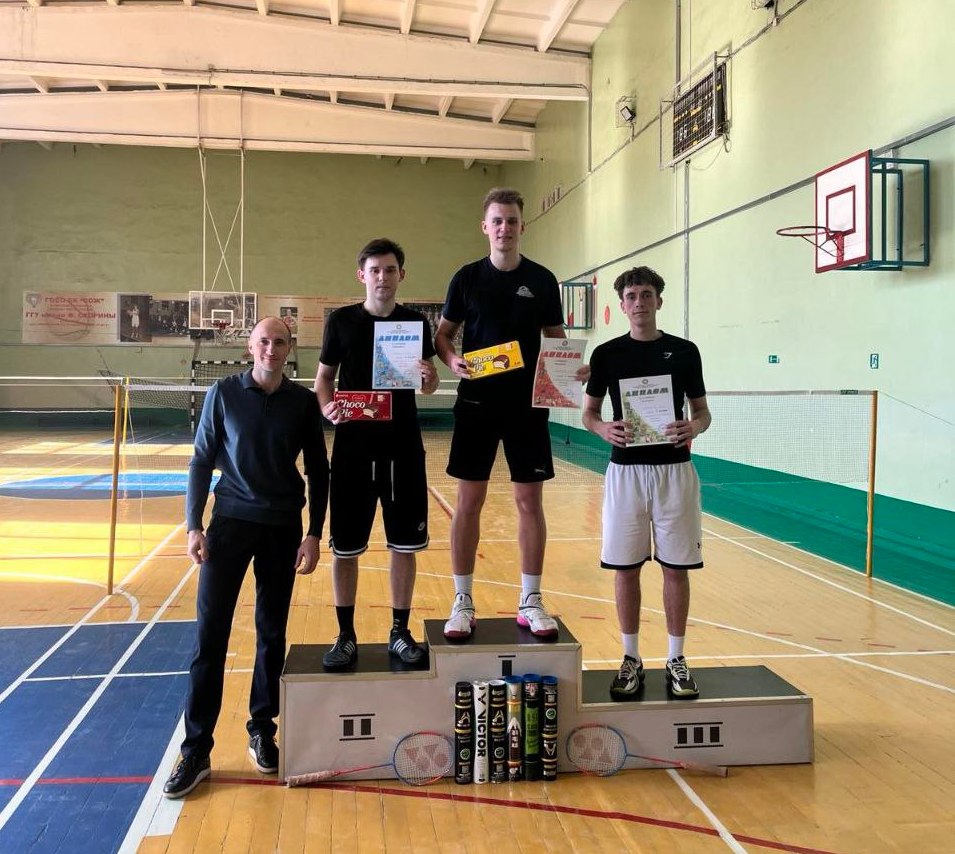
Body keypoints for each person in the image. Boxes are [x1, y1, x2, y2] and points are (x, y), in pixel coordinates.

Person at [163, 316, 329, 799]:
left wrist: (314, 533)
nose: (271, 349)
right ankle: (196, 749)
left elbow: (319, 470)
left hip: (282, 528)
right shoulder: (223, 394)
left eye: (279, 342)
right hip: (229, 526)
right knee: (209, 636)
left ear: (289, 349)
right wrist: (193, 525)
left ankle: (262, 729)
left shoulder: (302, 402)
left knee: (271, 634)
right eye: (263, 341)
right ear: (249, 347)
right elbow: (200, 459)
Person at [435, 188, 585, 641]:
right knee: (468, 502)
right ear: (485, 227)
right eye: (497, 221)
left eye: (512, 221)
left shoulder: (542, 280)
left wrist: (571, 368)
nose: (505, 228)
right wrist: (452, 360)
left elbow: (556, 337)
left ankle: (531, 599)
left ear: (523, 226)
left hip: (527, 406)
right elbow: (444, 335)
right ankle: (462, 600)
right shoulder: (465, 278)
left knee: (529, 503)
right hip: (476, 404)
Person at [581, 266, 711, 699]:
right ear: (622, 305)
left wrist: (694, 427)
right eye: (632, 296)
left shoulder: (685, 352)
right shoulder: (607, 354)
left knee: (676, 568)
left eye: (647, 294)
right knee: (626, 568)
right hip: (625, 473)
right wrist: (603, 429)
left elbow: (702, 412)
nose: (639, 302)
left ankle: (676, 658)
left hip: (675, 472)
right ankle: (631, 658)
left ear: (659, 301)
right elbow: (589, 413)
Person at [316, 238, 439, 669]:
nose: (382, 277)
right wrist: (327, 409)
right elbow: (324, 380)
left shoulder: (415, 323)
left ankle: (399, 632)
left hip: (403, 447)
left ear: (401, 275)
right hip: (353, 448)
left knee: (404, 545)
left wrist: (429, 377)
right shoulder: (341, 322)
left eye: (390, 270)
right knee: (345, 548)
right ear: (362, 275)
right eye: (375, 270)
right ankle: (345, 635)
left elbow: (428, 386)